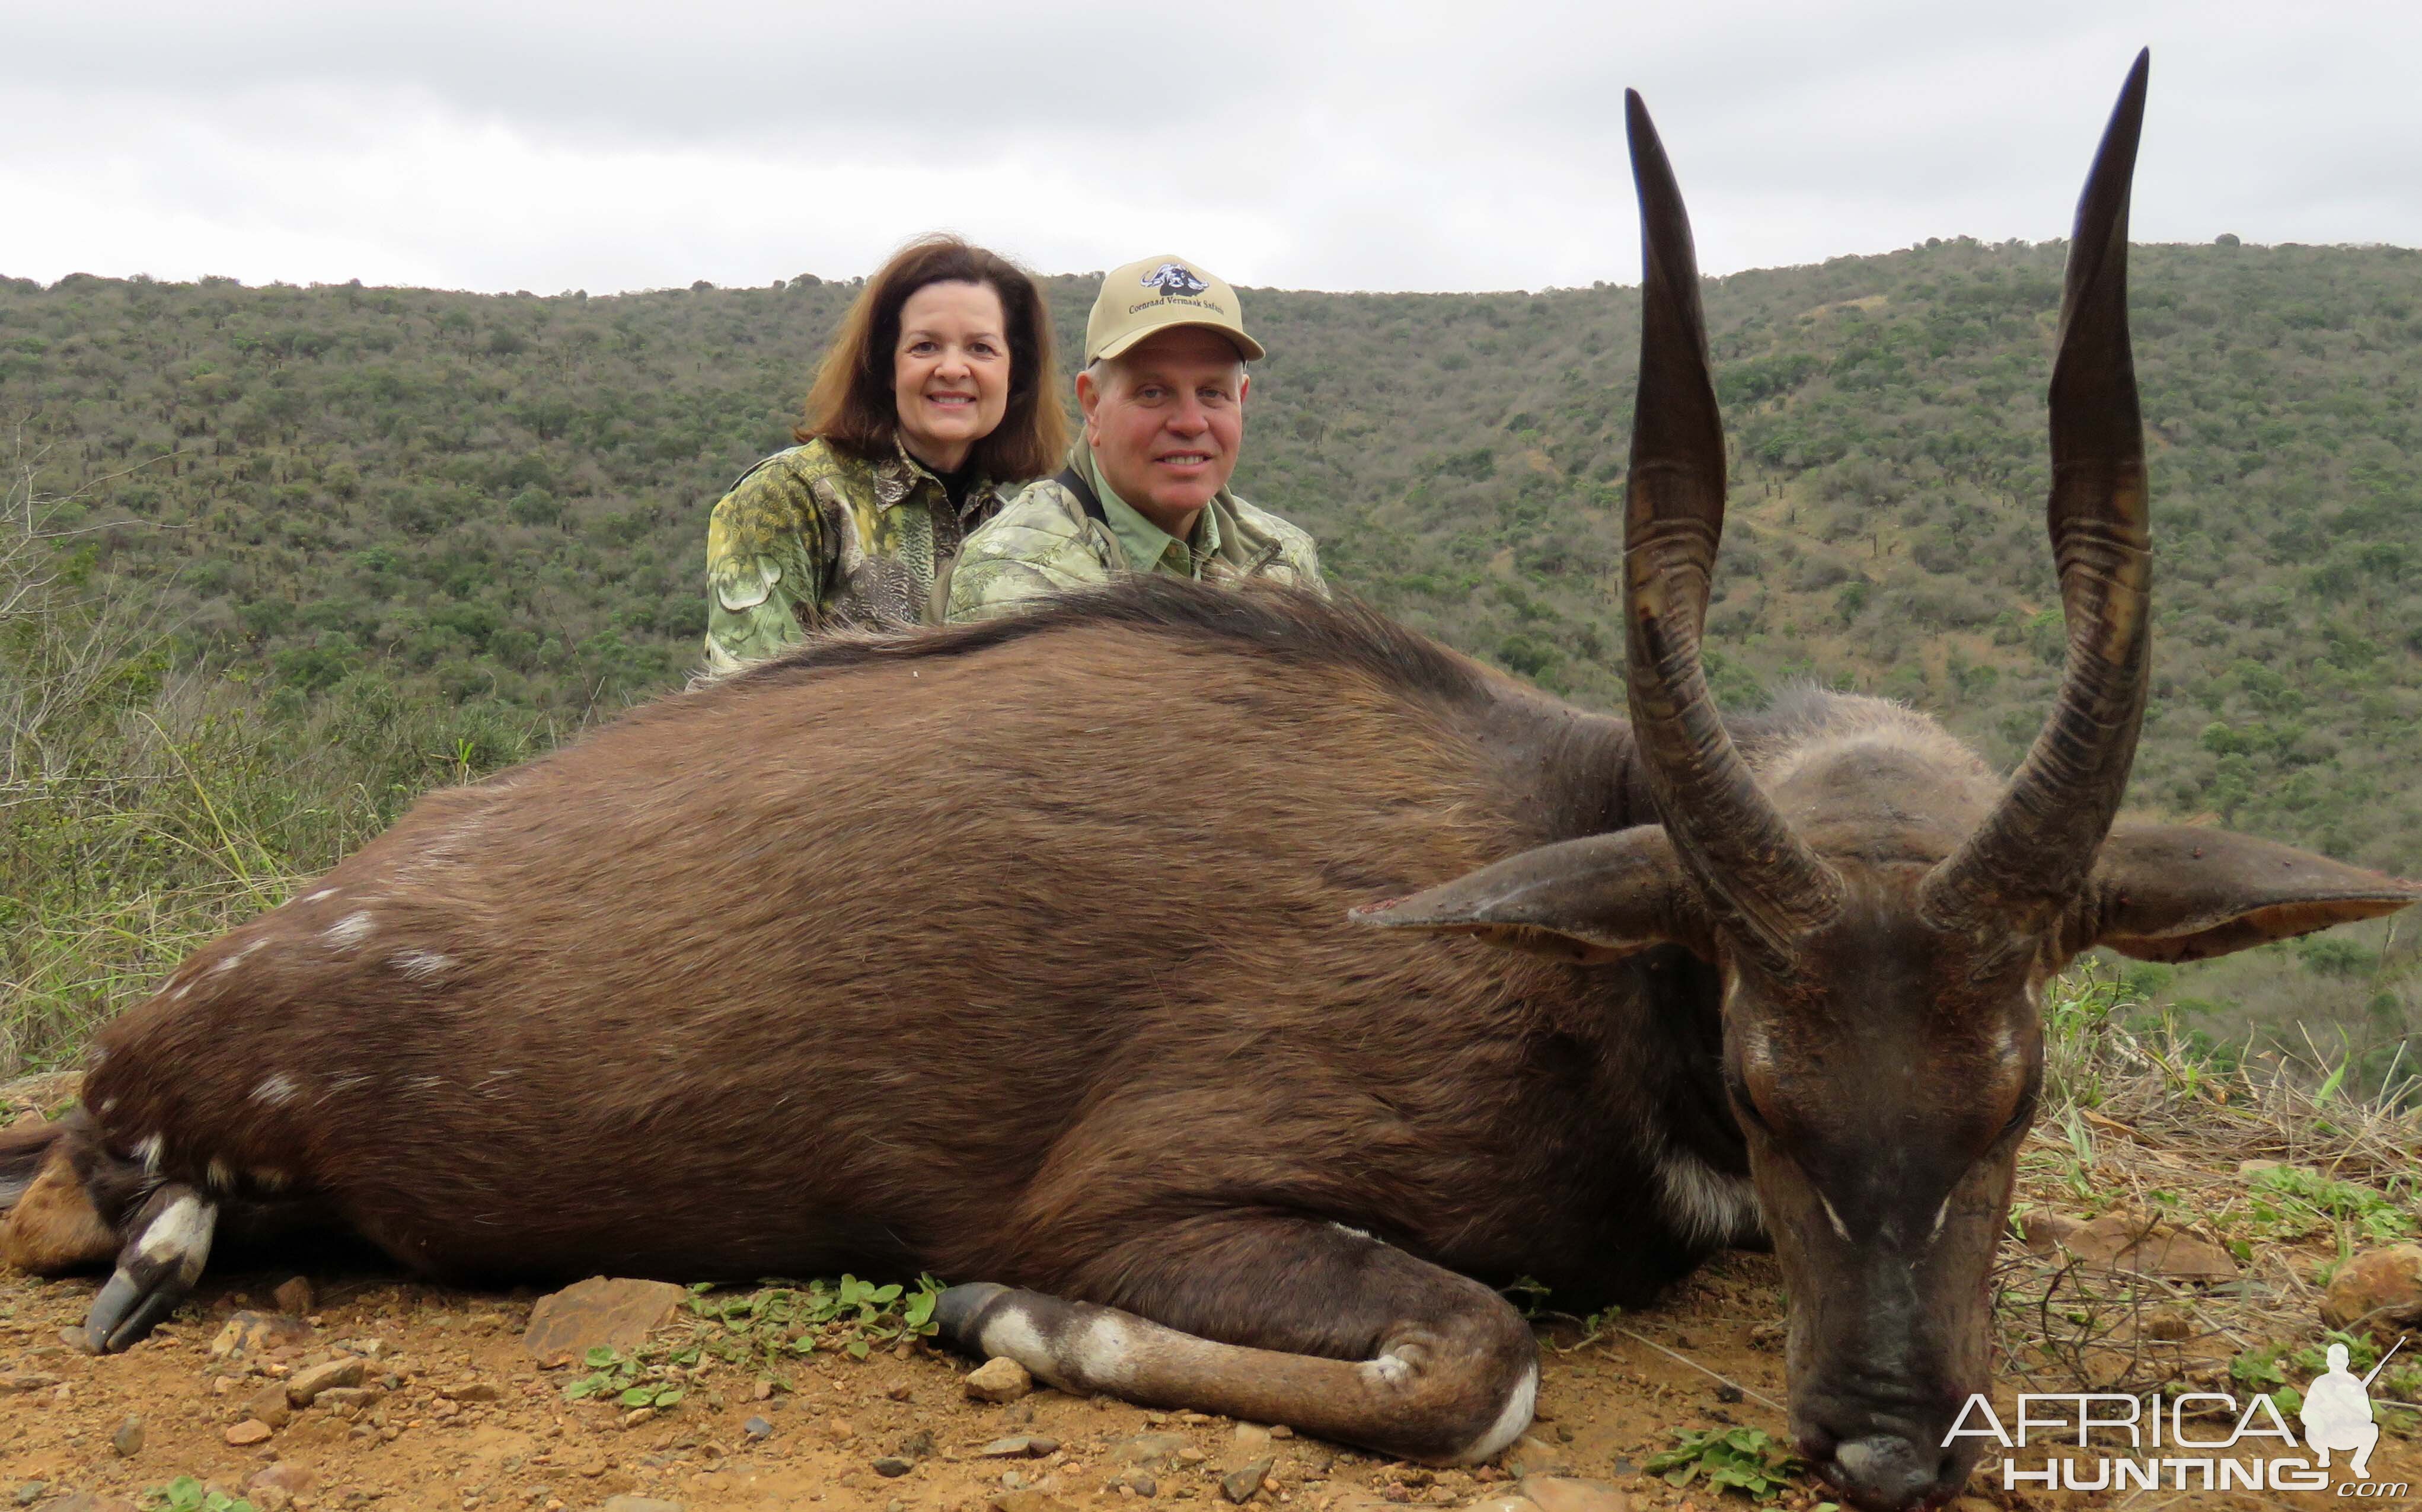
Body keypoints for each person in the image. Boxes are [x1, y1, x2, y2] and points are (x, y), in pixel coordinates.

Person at [702, 236, 1067, 671]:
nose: (952, 369)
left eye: (981, 348)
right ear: (886, 367)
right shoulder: (787, 500)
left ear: (1015, 376)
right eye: (925, 346)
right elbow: (746, 706)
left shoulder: (1021, 533)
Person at [943, 254, 1323, 623]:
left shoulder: (1283, 558)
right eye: (1152, 393)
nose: (1191, 423)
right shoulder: (1019, 576)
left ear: (1240, 400)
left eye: (1212, 393)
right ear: (1093, 404)